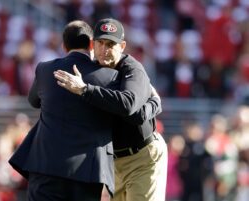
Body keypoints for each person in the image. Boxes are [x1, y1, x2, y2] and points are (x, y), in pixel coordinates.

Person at [9, 20, 151, 201]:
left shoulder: (44, 69)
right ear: (92, 44)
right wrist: (154, 103)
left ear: (63, 45)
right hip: (87, 172)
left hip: (45, 165)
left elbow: (33, 101)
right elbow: (128, 108)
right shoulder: (110, 76)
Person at [54, 18, 168, 201]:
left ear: (122, 46)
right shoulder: (90, 70)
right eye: (100, 43)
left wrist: (84, 90)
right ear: (92, 44)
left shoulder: (132, 68)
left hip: (142, 156)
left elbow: (129, 107)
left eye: (110, 44)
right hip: (113, 163)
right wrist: (155, 104)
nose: (104, 49)